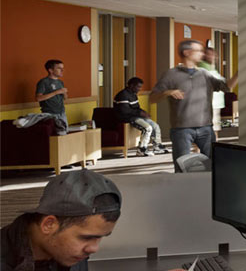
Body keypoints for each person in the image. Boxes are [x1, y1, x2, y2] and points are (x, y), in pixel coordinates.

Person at [0, 169, 167, 271]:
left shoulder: (66, 250)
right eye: (86, 237)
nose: (94, 249)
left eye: (100, 237)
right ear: (48, 224)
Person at [150, 40, 232, 166]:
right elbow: (152, 98)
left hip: (206, 128)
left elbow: (226, 87)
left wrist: (240, 72)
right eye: (198, 51)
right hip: (181, 130)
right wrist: (168, 92)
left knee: (213, 165)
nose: (202, 54)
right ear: (187, 52)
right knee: (182, 167)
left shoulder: (204, 74)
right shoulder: (171, 74)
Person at [112, 77, 165, 156]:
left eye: (140, 87)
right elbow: (125, 111)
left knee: (155, 126)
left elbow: (136, 108)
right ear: (131, 85)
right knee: (147, 128)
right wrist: (140, 114)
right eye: (138, 87)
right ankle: (142, 149)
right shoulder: (123, 95)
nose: (139, 89)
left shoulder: (133, 94)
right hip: (126, 118)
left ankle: (157, 147)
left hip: (135, 116)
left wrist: (143, 113)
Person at [197, 47, 224, 132]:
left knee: (213, 130)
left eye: (214, 54)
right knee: (208, 131)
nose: (214, 56)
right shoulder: (203, 66)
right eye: (210, 54)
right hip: (209, 103)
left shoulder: (210, 67)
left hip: (214, 103)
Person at [35, 59, 69, 127]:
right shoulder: (43, 82)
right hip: (49, 113)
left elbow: (65, 98)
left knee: (64, 133)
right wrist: (56, 92)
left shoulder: (60, 82)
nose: (62, 70)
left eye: (63, 68)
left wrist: (64, 93)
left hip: (62, 113)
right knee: (54, 135)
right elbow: (38, 98)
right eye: (59, 68)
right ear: (51, 70)